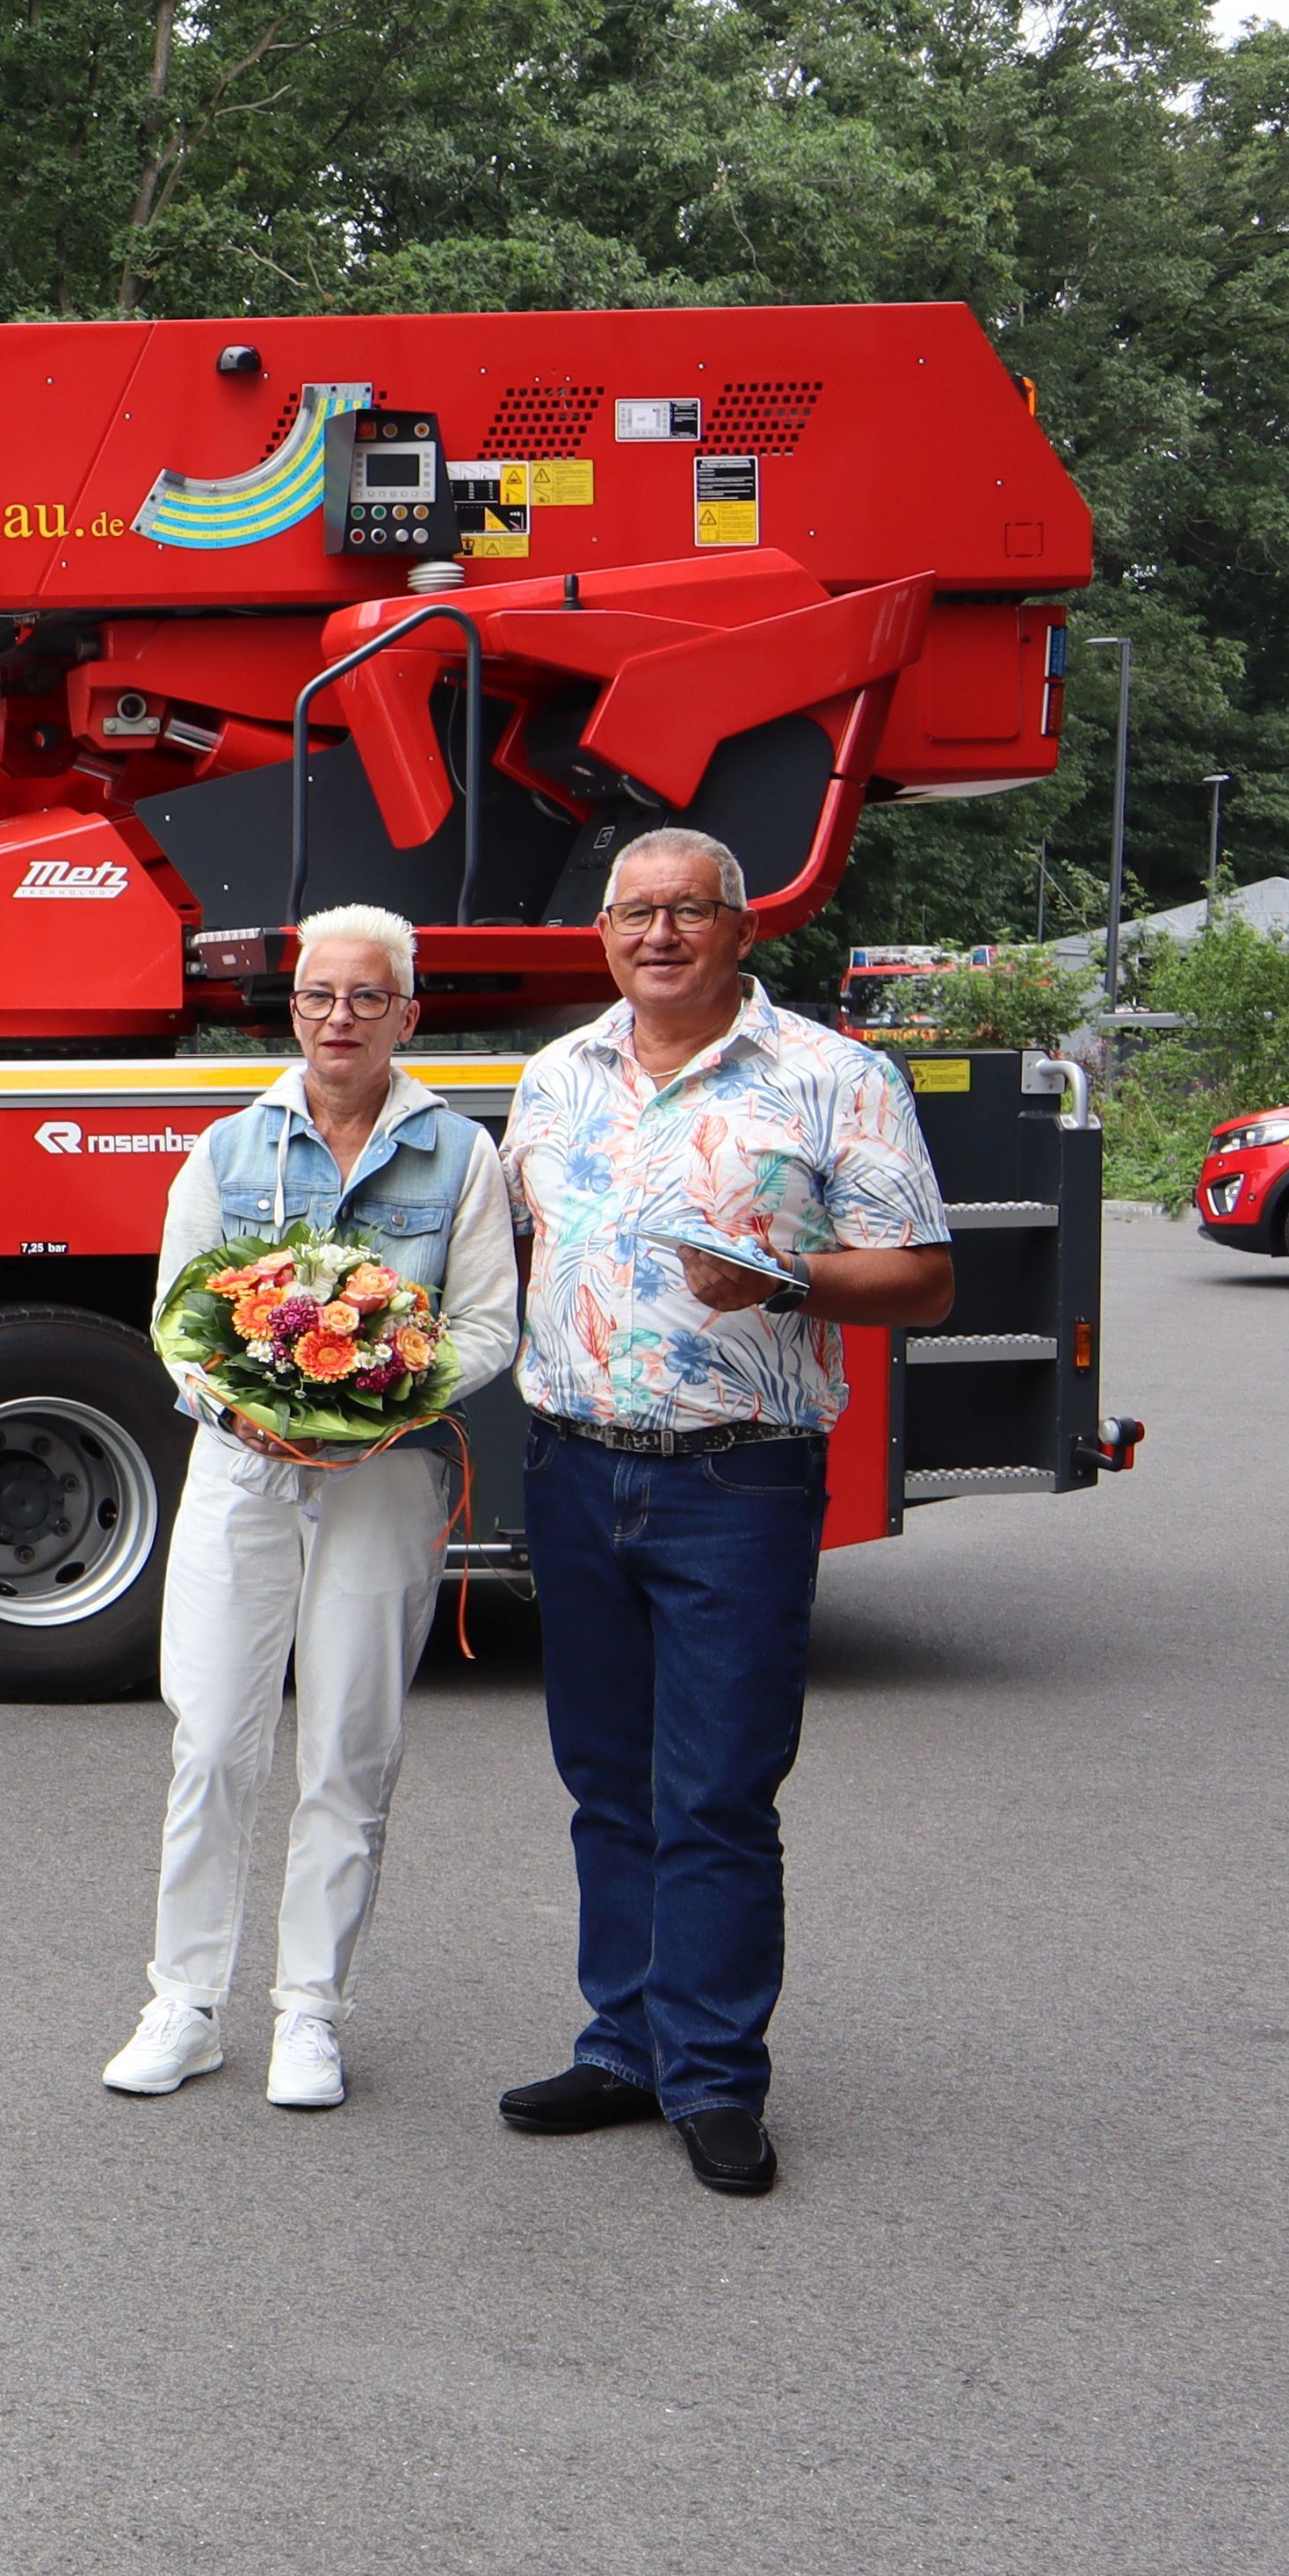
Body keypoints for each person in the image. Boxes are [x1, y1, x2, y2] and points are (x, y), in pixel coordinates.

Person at [496, 827, 953, 2196]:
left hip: (737, 1476)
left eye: (689, 912)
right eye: (636, 912)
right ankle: (623, 2046)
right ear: (605, 935)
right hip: (574, 1465)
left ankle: (711, 2076)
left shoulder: (833, 1079)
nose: (660, 935)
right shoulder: (554, 1075)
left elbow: (925, 1280)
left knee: (715, 1791)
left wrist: (793, 1283)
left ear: (743, 931)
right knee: (607, 1784)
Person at [104, 905, 520, 2111]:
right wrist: (241, 1411)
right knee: (214, 1741)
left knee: (349, 1744)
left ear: (408, 1013)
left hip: (384, 1482)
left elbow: (489, 1320)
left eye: (366, 997)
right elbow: (177, 1319)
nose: (340, 1018)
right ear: (293, 1008)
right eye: (318, 996)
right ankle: (183, 2004)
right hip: (241, 1473)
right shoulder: (228, 1149)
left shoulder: (460, 1157)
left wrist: (395, 1396)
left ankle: (309, 2015)